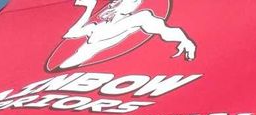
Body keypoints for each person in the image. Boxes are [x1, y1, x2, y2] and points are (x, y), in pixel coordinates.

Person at [59, 0, 196, 69]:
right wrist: (89, 8)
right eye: (113, 2)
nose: (114, 4)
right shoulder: (96, 26)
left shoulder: (138, 18)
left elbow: (164, 29)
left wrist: (185, 40)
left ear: (134, 4)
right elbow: (71, 33)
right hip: (65, 68)